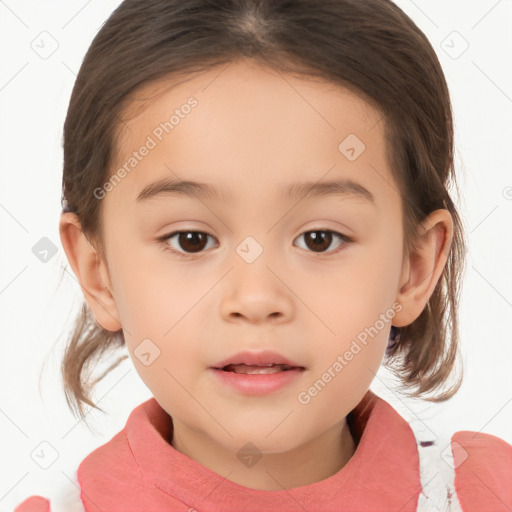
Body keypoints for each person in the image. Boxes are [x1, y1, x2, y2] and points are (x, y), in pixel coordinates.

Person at [14, 0, 512, 511]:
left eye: (320, 238)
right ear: (99, 274)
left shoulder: (488, 492)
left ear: (414, 268)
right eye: (191, 240)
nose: (256, 299)